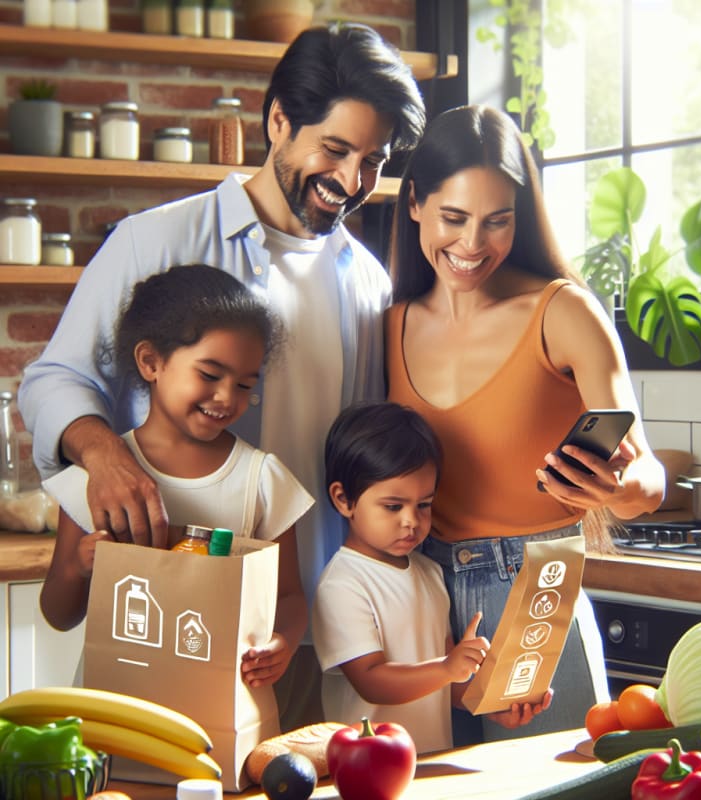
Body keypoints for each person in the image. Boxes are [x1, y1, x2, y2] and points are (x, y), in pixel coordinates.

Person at [18, 22, 426, 728]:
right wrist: (105, 457)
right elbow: (55, 379)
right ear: (278, 121)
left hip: (296, 632)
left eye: (374, 160)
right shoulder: (155, 241)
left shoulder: (367, 280)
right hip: (156, 619)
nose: (353, 182)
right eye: (335, 149)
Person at [384, 105, 666, 745]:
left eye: (497, 222)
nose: (473, 244)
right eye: (453, 218)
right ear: (416, 205)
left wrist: (616, 488)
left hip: (535, 588)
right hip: (418, 593)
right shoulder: (390, 323)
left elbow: (648, 475)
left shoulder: (563, 312)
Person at [40, 265, 313, 692]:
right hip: (115, 706)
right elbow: (58, 614)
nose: (227, 397)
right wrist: (78, 566)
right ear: (151, 361)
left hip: (217, 704)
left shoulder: (262, 480)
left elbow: (290, 596)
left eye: (244, 385)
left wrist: (284, 641)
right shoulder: (97, 480)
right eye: (209, 375)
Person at [312, 401, 551, 754]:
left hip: (430, 763)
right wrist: (446, 667)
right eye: (393, 507)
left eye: (423, 504)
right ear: (343, 499)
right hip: (365, 767)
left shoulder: (429, 572)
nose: (411, 520)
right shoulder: (343, 583)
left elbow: (448, 686)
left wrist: (492, 703)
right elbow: (371, 681)